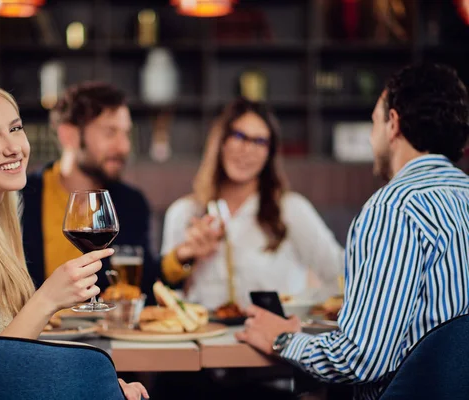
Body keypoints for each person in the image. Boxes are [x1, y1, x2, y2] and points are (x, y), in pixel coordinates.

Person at [236, 62, 469, 400]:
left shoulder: (393, 209)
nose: (372, 136)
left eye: (374, 121)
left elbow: (361, 358)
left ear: (393, 124)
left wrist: (282, 339)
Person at [0, 79, 148, 400]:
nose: (14, 147)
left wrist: (95, 381)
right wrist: (48, 299)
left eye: (15, 128)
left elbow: (4, 355)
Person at [160, 98, 344, 311]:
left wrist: (308, 312)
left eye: (260, 142)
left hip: (275, 339)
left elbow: (339, 272)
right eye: (239, 136)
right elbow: (167, 293)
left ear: (269, 153)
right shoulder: (184, 212)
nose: (247, 150)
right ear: (221, 141)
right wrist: (188, 254)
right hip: (206, 338)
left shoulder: (291, 210)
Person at [21, 81, 159, 303]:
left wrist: (181, 258)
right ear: (70, 136)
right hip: (37, 334)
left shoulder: (132, 203)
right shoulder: (21, 198)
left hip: (104, 334)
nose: (124, 146)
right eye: (110, 132)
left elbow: (144, 285)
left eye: (126, 134)